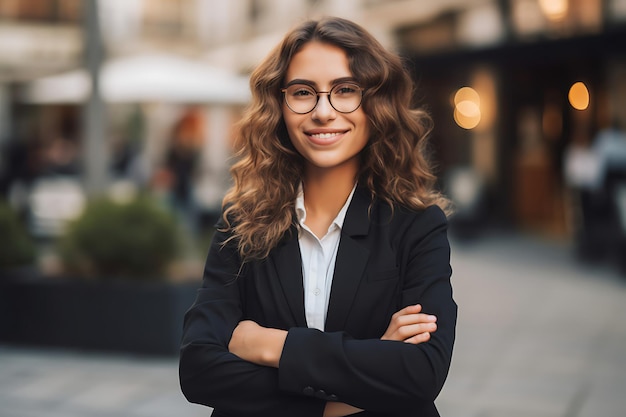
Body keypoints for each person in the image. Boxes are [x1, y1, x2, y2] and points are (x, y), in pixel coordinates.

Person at [179, 16, 457, 417]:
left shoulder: (417, 224)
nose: (323, 112)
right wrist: (345, 394)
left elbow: (422, 371)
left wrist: (266, 345)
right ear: (280, 104)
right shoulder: (241, 221)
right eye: (303, 92)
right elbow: (199, 369)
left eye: (345, 90)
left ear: (376, 104)